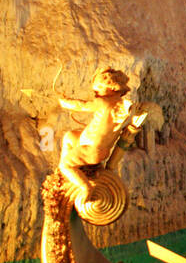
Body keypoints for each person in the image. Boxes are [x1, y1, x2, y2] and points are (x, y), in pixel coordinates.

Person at [57, 68, 141, 200]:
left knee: (65, 165)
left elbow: (81, 105)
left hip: (91, 150)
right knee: (70, 136)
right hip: (99, 150)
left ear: (113, 88)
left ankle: (85, 186)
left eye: (99, 88)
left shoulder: (103, 102)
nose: (95, 92)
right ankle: (68, 170)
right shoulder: (119, 105)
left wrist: (65, 102)